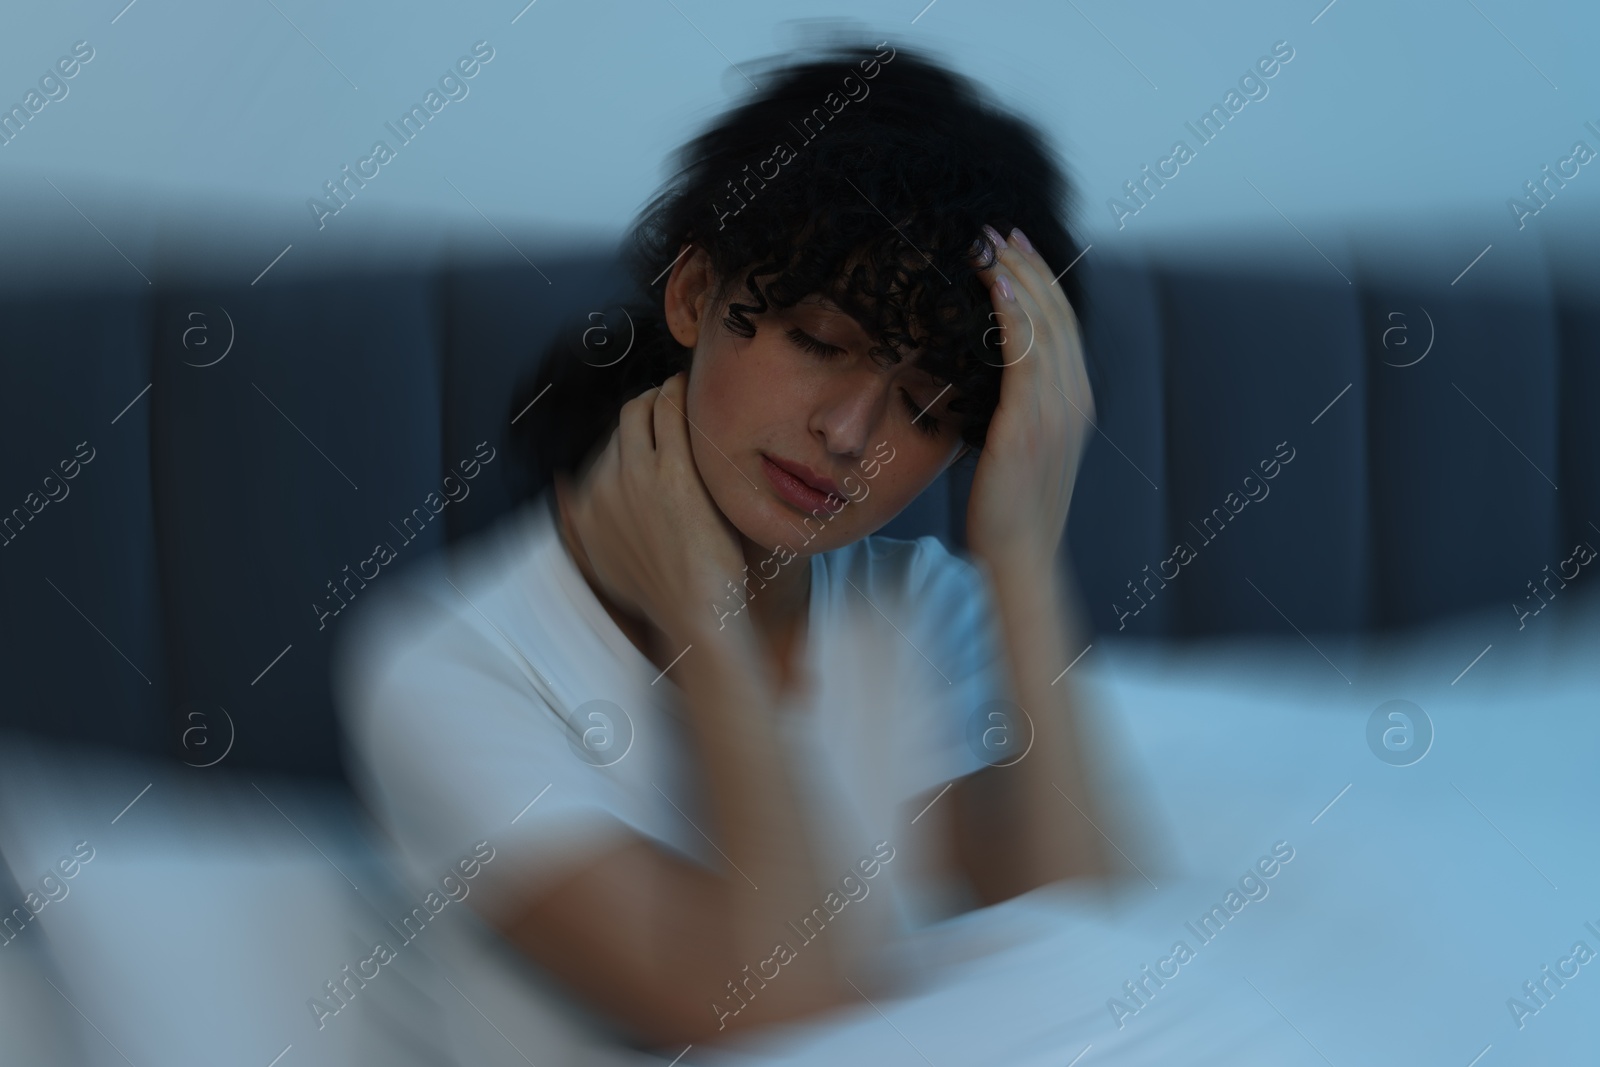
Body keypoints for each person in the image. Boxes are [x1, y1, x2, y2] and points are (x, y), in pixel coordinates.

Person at [334, 37, 1115, 1058]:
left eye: (923, 405)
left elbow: (1095, 957)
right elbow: (786, 1017)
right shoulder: (451, 668)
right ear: (697, 292)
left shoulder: (922, 606)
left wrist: (1019, 549)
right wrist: (705, 610)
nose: (847, 434)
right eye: (820, 344)